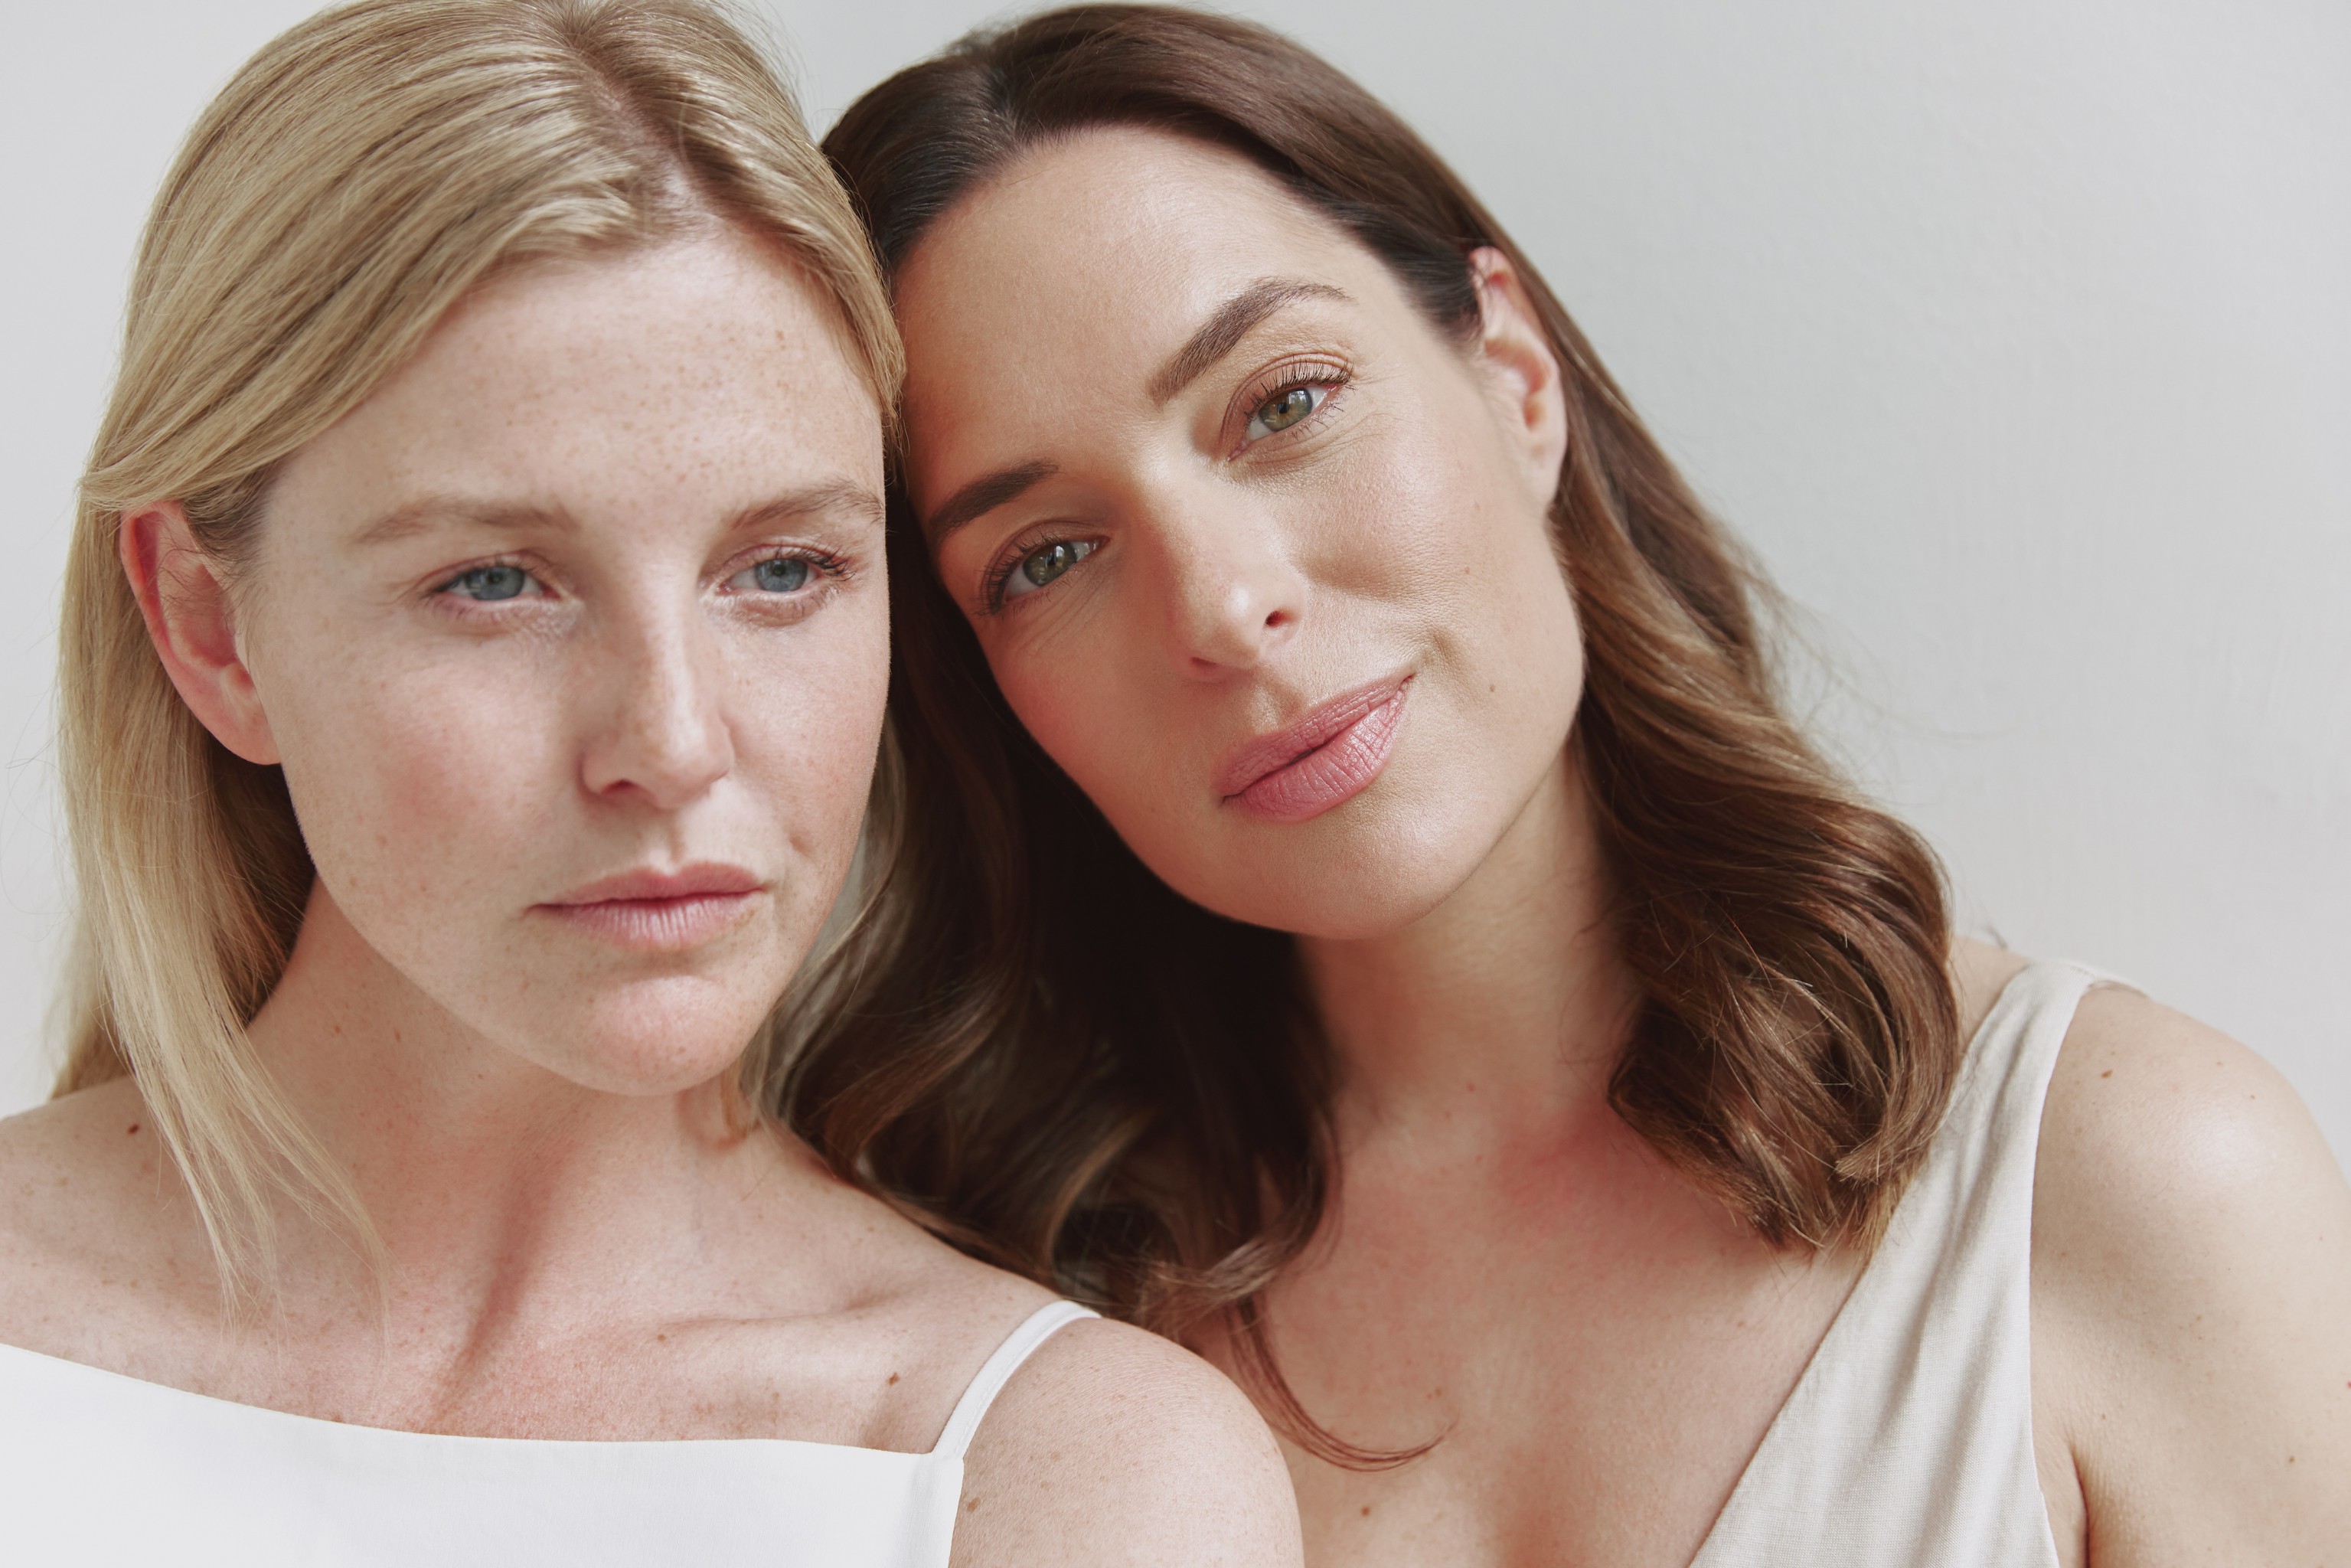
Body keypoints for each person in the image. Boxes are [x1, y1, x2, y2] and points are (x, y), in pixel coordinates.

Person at [789, 6, 2351, 1563]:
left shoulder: (2121, 1180)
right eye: (1047, 555)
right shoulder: (959, 1318)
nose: (1221, 606)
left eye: (1284, 404)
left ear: (1516, 380)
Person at [0, 4, 1301, 1564]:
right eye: (496, 581)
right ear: (212, 631)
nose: (676, 743)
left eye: (782, 569)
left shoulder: (1072, 1478)